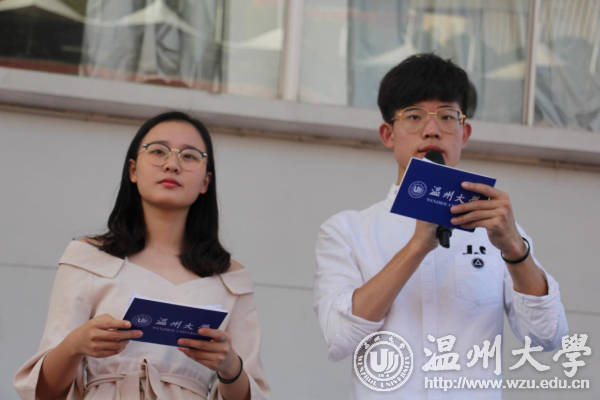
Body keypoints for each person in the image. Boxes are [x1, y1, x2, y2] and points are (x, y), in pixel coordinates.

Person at [313, 54, 568, 399]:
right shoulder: (347, 231)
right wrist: (418, 246)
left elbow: (548, 336)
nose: (432, 130)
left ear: (464, 133)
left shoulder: (497, 229)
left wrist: (514, 249)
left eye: (447, 117)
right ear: (388, 134)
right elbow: (340, 337)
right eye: (414, 116)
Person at [14, 111, 270, 399]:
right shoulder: (88, 258)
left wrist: (230, 366)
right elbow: (44, 393)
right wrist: (74, 345)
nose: (172, 164)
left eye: (189, 156)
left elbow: (253, 394)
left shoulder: (230, 278)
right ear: (133, 170)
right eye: (158, 151)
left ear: (205, 182)